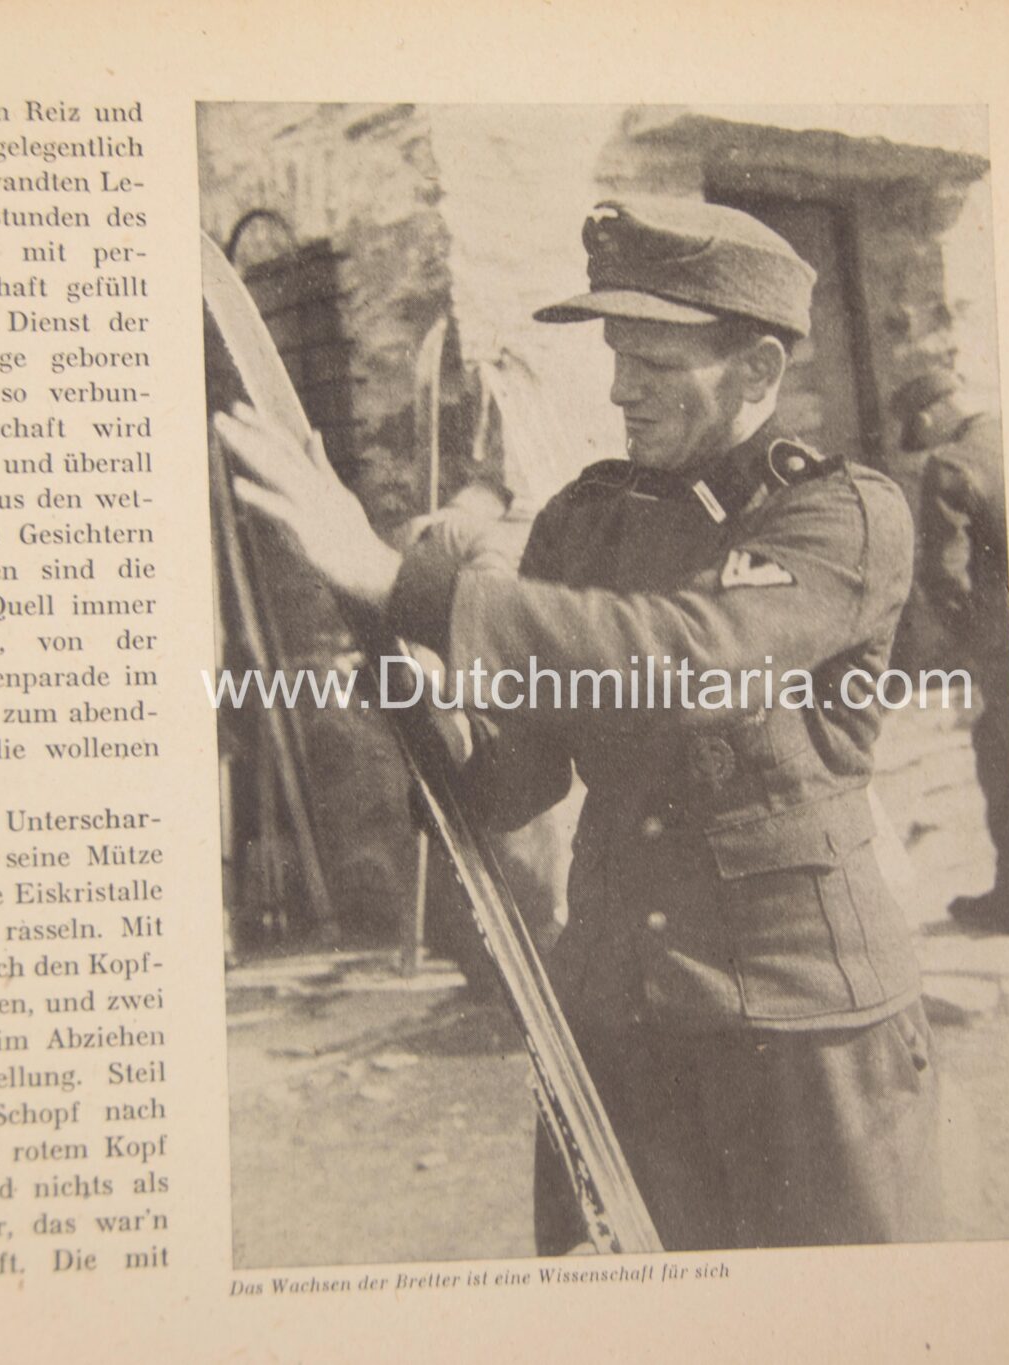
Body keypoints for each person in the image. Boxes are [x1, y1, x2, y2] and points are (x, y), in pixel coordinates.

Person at [217, 196, 938, 1252]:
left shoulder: (841, 515)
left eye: (654, 361)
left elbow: (693, 657)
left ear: (756, 371)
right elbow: (515, 781)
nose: (617, 388)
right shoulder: (584, 519)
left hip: (802, 1026)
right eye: (615, 355)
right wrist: (402, 678)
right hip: (616, 1019)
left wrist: (401, 583)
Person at [901, 376, 1009, 933]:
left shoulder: (951, 465)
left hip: (1005, 639)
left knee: (1005, 759)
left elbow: (942, 575)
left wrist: (974, 642)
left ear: (928, 419)